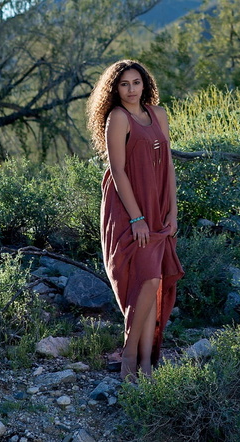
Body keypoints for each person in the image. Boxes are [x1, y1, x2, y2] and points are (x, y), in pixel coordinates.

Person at [86, 58, 183, 381]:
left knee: (153, 280)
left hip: (157, 206)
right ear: (115, 89)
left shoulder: (158, 114)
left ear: (145, 85)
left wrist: (173, 210)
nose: (131, 89)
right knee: (147, 280)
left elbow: (167, 164)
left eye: (136, 83)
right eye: (124, 84)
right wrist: (137, 217)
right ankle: (130, 357)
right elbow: (118, 170)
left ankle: (146, 364)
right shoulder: (118, 117)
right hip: (127, 208)